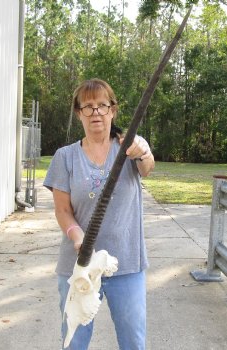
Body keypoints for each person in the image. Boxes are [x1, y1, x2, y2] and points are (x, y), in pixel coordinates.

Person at [43, 78, 155, 350]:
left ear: (112, 111)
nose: (96, 113)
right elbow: (62, 210)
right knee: (74, 341)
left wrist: (144, 150)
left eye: (102, 106)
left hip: (126, 263)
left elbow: (147, 167)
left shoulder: (129, 149)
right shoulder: (65, 157)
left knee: (133, 341)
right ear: (78, 113)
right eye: (88, 107)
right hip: (79, 266)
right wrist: (77, 235)